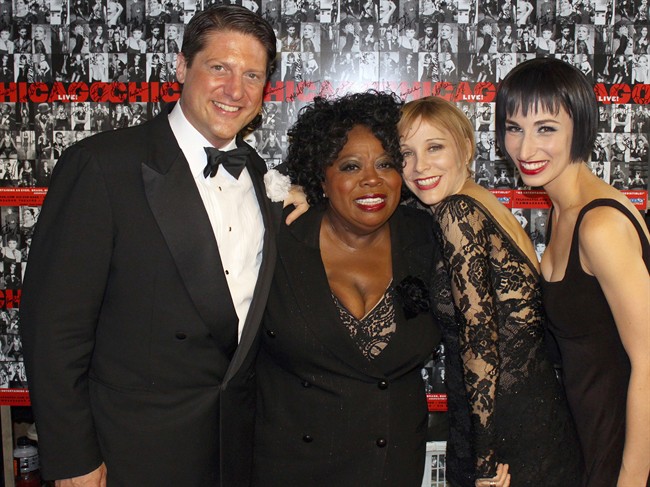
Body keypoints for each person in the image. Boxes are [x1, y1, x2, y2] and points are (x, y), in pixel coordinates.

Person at [21, 6, 302, 487]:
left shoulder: (264, 179)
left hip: (235, 451)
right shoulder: (102, 166)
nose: (235, 90)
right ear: (180, 67)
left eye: (252, 74)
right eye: (219, 68)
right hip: (130, 453)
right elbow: (53, 330)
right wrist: (72, 460)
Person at [253, 91, 442, 487]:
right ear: (320, 175)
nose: (372, 179)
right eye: (351, 165)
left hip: (390, 469)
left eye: (387, 164)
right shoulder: (279, 242)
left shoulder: (429, 238)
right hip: (291, 470)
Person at [398, 95, 582, 487]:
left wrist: (484, 459)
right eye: (405, 154)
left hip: (503, 443)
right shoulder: (483, 204)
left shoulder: (457, 214)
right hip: (537, 422)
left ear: (465, 148)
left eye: (434, 147)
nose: (419, 166)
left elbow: (479, 340)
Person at [495, 57, 650, 487]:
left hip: (622, 451)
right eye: (514, 127)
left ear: (579, 127)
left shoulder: (599, 225)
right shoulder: (562, 211)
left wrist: (632, 479)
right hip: (587, 439)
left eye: (546, 128)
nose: (525, 150)